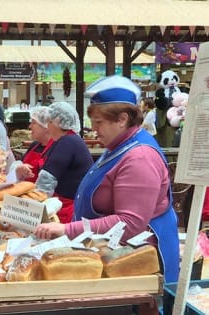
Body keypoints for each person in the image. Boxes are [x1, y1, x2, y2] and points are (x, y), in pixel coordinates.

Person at [34, 75, 180, 285]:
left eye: (99, 122)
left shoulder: (139, 158)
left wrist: (68, 229)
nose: (94, 128)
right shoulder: (119, 145)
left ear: (122, 119)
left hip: (137, 265)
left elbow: (130, 223)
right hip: (113, 256)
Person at [35, 102, 93, 223]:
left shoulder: (68, 142)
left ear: (57, 122)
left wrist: (35, 204)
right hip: (66, 202)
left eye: (49, 122)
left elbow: (47, 178)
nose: (47, 126)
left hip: (68, 206)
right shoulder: (67, 140)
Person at [14, 106, 54, 183]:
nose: (30, 126)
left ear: (46, 126)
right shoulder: (35, 145)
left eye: (33, 123)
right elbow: (20, 163)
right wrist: (19, 169)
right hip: (25, 190)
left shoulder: (56, 148)